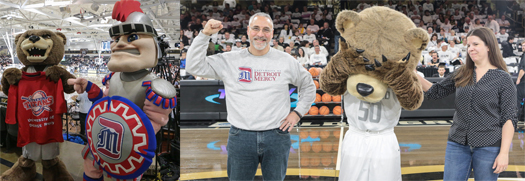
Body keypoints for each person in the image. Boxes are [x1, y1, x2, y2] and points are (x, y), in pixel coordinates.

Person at [186, 13, 316, 180]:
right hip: (241, 137)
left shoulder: (286, 61)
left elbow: (308, 86)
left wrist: (297, 113)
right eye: (256, 28)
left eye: (266, 30)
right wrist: (204, 35)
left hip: (277, 135)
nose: (260, 34)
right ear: (248, 31)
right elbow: (193, 65)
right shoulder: (230, 60)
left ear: (272, 33)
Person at [415, 27, 517, 180]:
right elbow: (436, 92)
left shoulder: (503, 79)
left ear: (488, 46)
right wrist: (412, 74)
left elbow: (509, 118)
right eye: (468, 45)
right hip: (457, 143)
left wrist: (503, 153)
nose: (471, 49)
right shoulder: (463, 72)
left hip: (488, 145)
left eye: (475, 44)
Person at [517, 41, 525, 110]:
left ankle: (518, 116)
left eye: (524, 45)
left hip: (523, 81)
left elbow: (523, 69)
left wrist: (518, 79)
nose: (523, 47)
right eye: (522, 45)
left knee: (519, 99)